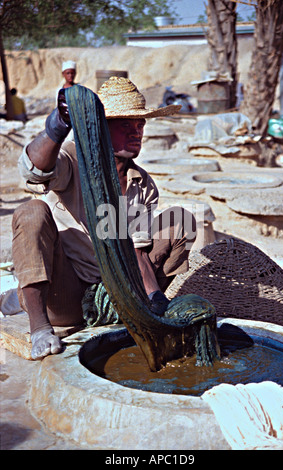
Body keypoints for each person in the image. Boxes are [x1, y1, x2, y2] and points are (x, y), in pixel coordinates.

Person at [12, 77, 196, 360]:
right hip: (68, 289)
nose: (137, 132)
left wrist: (156, 299)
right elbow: (35, 169)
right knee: (30, 211)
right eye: (125, 125)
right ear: (101, 128)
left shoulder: (141, 183)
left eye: (140, 124)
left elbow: (138, 249)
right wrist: (56, 127)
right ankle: (38, 322)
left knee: (181, 220)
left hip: (118, 288)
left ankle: (138, 308)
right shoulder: (74, 159)